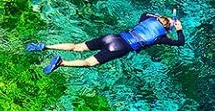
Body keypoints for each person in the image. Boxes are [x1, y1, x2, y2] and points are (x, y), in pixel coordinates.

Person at [27, 13, 185, 74]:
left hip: (111, 38)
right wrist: (178, 29)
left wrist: (161, 17)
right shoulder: (161, 38)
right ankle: (61, 63)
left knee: (78, 46)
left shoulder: (147, 19)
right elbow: (180, 43)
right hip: (119, 47)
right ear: (166, 28)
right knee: (89, 62)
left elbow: (145, 13)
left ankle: (45, 46)